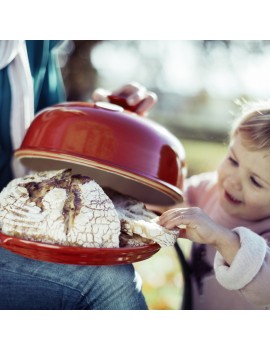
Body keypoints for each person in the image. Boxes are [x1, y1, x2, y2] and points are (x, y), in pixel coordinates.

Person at [0, 40, 157, 310]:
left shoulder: (37, 43)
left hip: (16, 230)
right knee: (108, 282)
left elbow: (42, 155)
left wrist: (96, 123)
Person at [158, 100, 270, 310]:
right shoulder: (209, 188)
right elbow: (171, 199)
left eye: (255, 181)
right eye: (233, 161)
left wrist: (221, 239)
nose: (233, 181)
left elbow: (266, 289)